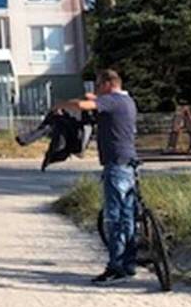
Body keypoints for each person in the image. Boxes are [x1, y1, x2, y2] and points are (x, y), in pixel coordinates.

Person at [55, 68, 138, 285]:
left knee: (115, 218)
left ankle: (116, 267)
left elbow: (84, 106)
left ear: (108, 84)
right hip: (128, 161)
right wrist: (93, 97)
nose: (97, 89)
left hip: (116, 164)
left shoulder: (113, 100)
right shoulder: (127, 101)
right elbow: (94, 101)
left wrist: (61, 104)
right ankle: (129, 264)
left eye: (99, 85)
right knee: (128, 217)